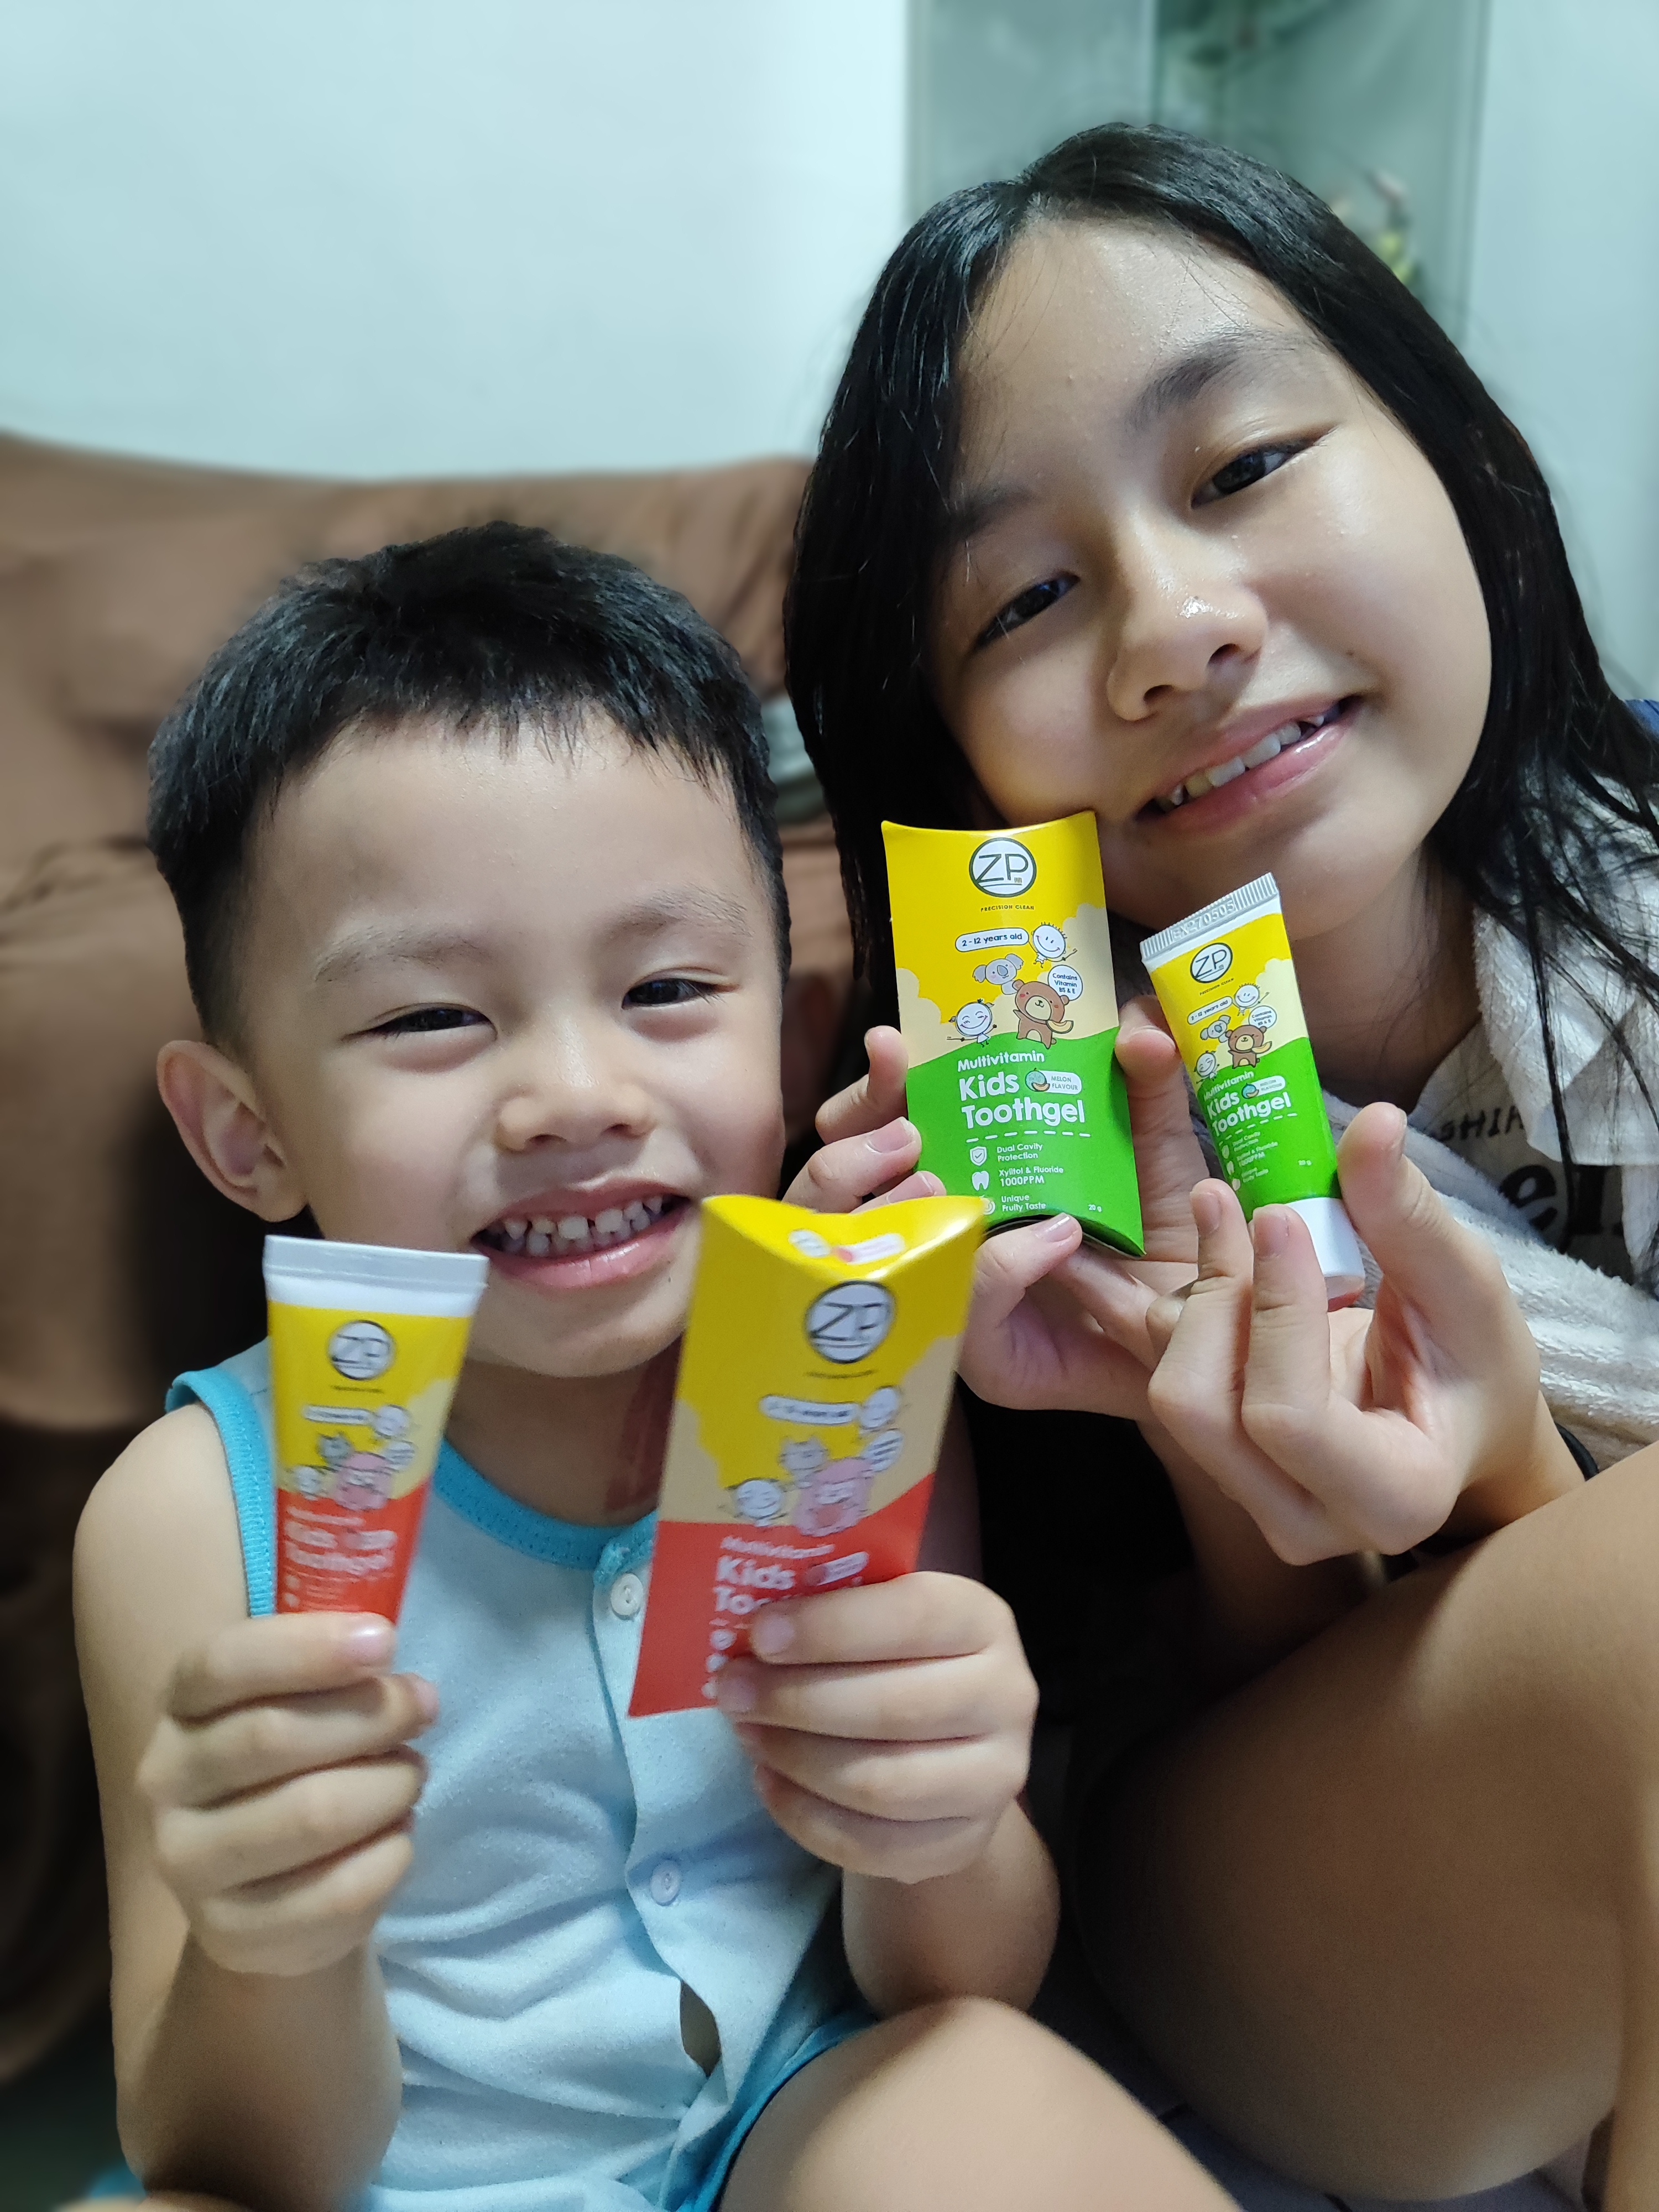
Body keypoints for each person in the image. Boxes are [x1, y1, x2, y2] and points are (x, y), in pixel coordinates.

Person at [71, 523, 1238, 2212]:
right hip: (385, 2176)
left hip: (796, 2120)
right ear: (247, 1133)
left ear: (789, 1032)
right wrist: (273, 1940)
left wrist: (951, 1819)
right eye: (431, 1018)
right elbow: (227, 2156)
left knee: (980, 2085)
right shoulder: (189, 1519)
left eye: (668, 988)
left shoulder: (851, 1385)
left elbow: (955, 1990)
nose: (576, 1098)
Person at [784, 123, 1659, 2206]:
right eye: (1028, 597)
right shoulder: (1000, 1133)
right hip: (1245, 1871)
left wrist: (1507, 1471)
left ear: (1454, 453)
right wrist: (1138, 1413)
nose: (1170, 630)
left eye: (1245, 464)